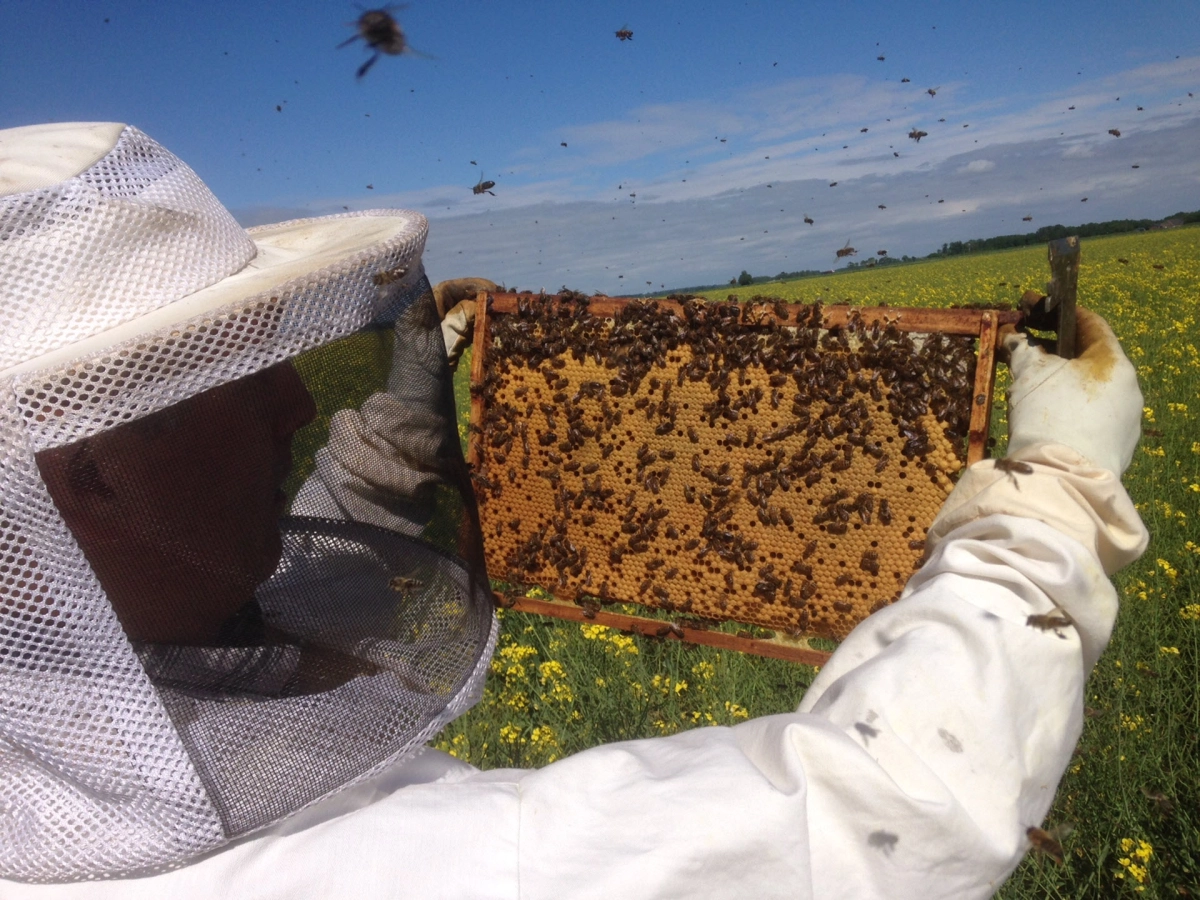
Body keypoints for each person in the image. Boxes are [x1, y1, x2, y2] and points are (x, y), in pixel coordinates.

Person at [0, 122, 1148, 899]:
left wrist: (393, 445)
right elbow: (873, 820)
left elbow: (227, 579)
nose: (298, 396)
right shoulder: (335, 872)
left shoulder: (64, 699)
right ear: (86, 470)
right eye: (234, 373)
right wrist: (1049, 507)